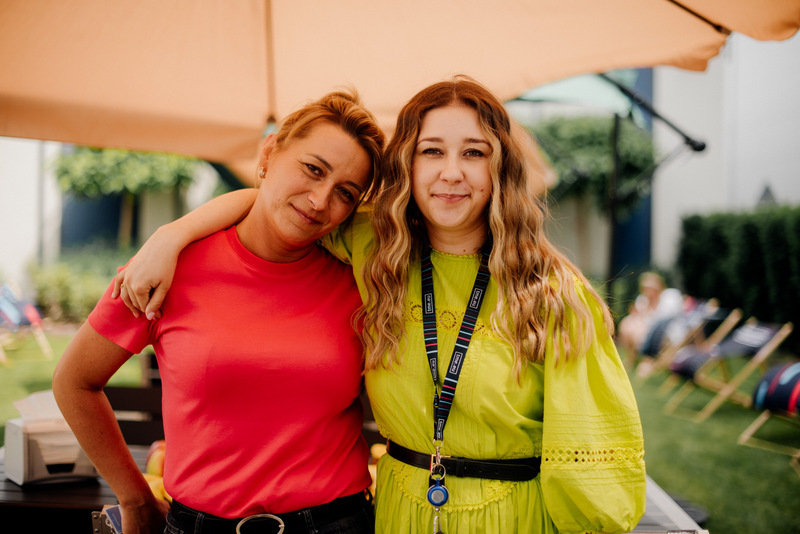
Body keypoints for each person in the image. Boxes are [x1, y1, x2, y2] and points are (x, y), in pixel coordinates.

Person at [115, 76, 647, 533]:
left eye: (474, 153)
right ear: (407, 166)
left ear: (500, 168)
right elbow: (277, 199)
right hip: (398, 514)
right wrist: (172, 235)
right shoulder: (376, 245)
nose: (451, 172)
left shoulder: (552, 292)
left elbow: (591, 462)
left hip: (511, 517)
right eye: (431, 151)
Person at [52, 90, 386, 534]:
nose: (321, 200)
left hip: (336, 522)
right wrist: (133, 496)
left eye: (345, 192)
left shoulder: (360, 281)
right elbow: (74, 381)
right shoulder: (167, 267)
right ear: (269, 153)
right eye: (313, 169)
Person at [618, 271, 685, 369]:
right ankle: (631, 357)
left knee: (637, 330)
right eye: (645, 288)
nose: (648, 291)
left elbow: (665, 320)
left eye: (651, 288)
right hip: (648, 327)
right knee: (626, 323)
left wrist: (645, 314)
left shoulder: (670, 296)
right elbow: (638, 316)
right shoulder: (643, 299)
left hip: (667, 330)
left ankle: (646, 358)